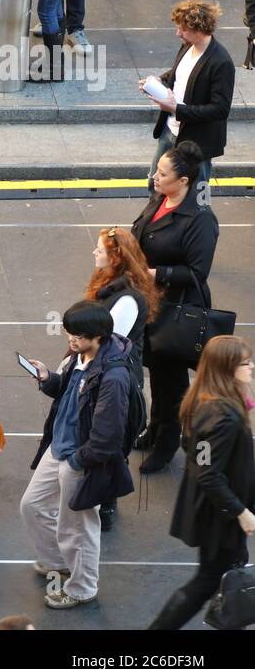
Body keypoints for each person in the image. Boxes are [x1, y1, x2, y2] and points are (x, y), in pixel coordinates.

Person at [22, 302, 134, 609]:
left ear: (98, 336)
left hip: (79, 458)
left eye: (77, 335)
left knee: (78, 528)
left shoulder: (113, 378)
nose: (70, 340)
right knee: (32, 506)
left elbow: (108, 438)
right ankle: (58, 562)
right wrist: (48, 379)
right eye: (68, 332)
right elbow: (68, 392)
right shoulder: (81, 356)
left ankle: (82, 588)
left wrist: (77, 461)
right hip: (60, 446)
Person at [148, 336, 255, 629]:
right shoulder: (224, 416)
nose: (251, 367)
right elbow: (209, 472)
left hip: (213, 510)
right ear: (226, 368)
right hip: (220, 515)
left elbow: (195, 452)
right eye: (245, 363)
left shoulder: (202, 402)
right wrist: (241, 512)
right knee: (210, 581)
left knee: (218, 577)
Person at [131, 140, 221, 473]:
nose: (155, 176)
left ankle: (167, 442)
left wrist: (156, 273)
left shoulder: (200, 220)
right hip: (151, 303)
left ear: (183, 181)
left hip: (177, 309)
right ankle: (155, 428)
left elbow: (197, 273)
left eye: (163, 173)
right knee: (156, 371)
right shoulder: (160, 199)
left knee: (171, 381)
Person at [84, 226, 159, 529]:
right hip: (108, 375)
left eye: (100, 250)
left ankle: (106, 506)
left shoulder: (126, 300)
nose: (94, 253)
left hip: (117, 380)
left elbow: (109, 340)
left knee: (110, 442)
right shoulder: (114, 285)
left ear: (116, 257)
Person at [138, 0, 234, 186]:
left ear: (198, 29)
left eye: (182, 29)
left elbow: (221, 109)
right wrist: (161, 80)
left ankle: (196, 217)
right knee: (155, 184)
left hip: (197, 142)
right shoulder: (188, 45)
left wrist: (177, 109)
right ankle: (160, 216)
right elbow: (179, 73)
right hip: (170, 131)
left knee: (197, 194)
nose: (177, 33)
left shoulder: (221, 62)